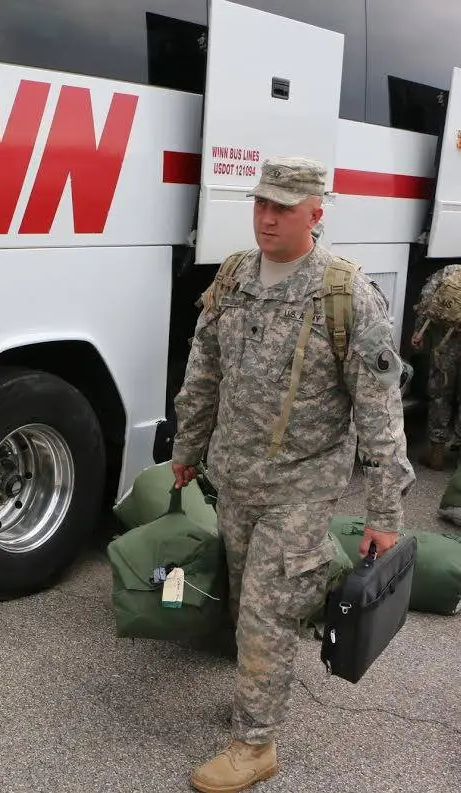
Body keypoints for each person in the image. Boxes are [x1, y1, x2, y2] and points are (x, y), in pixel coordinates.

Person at [171, 156, 415, 793]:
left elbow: (379, 410)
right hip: (235, 480)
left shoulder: (345, 293)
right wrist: (187, 446)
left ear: (315, 213)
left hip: (301, 490)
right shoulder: (233, 276)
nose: (267, 218)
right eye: (260, 204)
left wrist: (385, 514)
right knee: (243, 603)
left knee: (266, 612)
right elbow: (204, 370)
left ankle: (255, 744)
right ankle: (261, 686)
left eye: (282, 207)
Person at [411, 263, 461, 470]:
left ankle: (436, 452)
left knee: (440, 393)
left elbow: (427, 301)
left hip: (446, 342)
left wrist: (418, 332)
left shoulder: (450, 271)